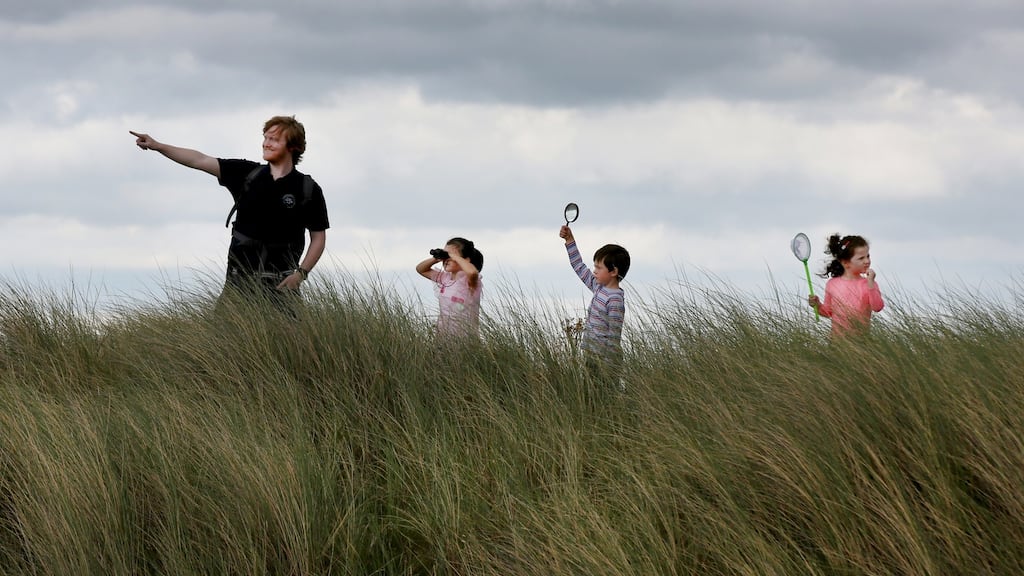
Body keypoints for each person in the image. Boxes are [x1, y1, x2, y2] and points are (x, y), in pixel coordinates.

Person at [130, 116, 329, 312]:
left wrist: (301, 274)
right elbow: (199, 160)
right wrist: (158, 146)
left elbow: (318, 237)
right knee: (218, 343)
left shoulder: (308, 189)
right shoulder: (246, 174)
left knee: (290, 345)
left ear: (293, 147)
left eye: (274, 139)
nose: (266, 144)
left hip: (282, 289)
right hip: (238, 288)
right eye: (266, 138)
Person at [558, 224, 630, 375]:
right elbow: (578, 265)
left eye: (599, 268)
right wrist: (569, 239)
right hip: (590, 356)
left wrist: (609, 366)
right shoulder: (598, 287)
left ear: (614, 271)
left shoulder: (615, 299)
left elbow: (614, 336)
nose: (594, 271)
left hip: (605, 362)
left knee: (604, 395)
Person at [808, 234, 885, 337]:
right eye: (861, 258)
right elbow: (827, 312)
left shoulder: (869, 283)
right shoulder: (832, 284)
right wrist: (817, 305)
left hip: (862, 342)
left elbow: (877, 307)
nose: (867, 261)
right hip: (838, 343)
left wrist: (871, 283)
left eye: (868, 256)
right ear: (845, 262)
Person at [416, 237, 484, 338]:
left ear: (465, 260)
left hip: (465, 338)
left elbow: (472, 272)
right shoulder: (444, 278)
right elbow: (421, 269)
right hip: (444, 336)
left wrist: (453, 256)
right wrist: (437, 258)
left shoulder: (471, 282)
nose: (446, 260)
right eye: (445, 256)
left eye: (450, 257)